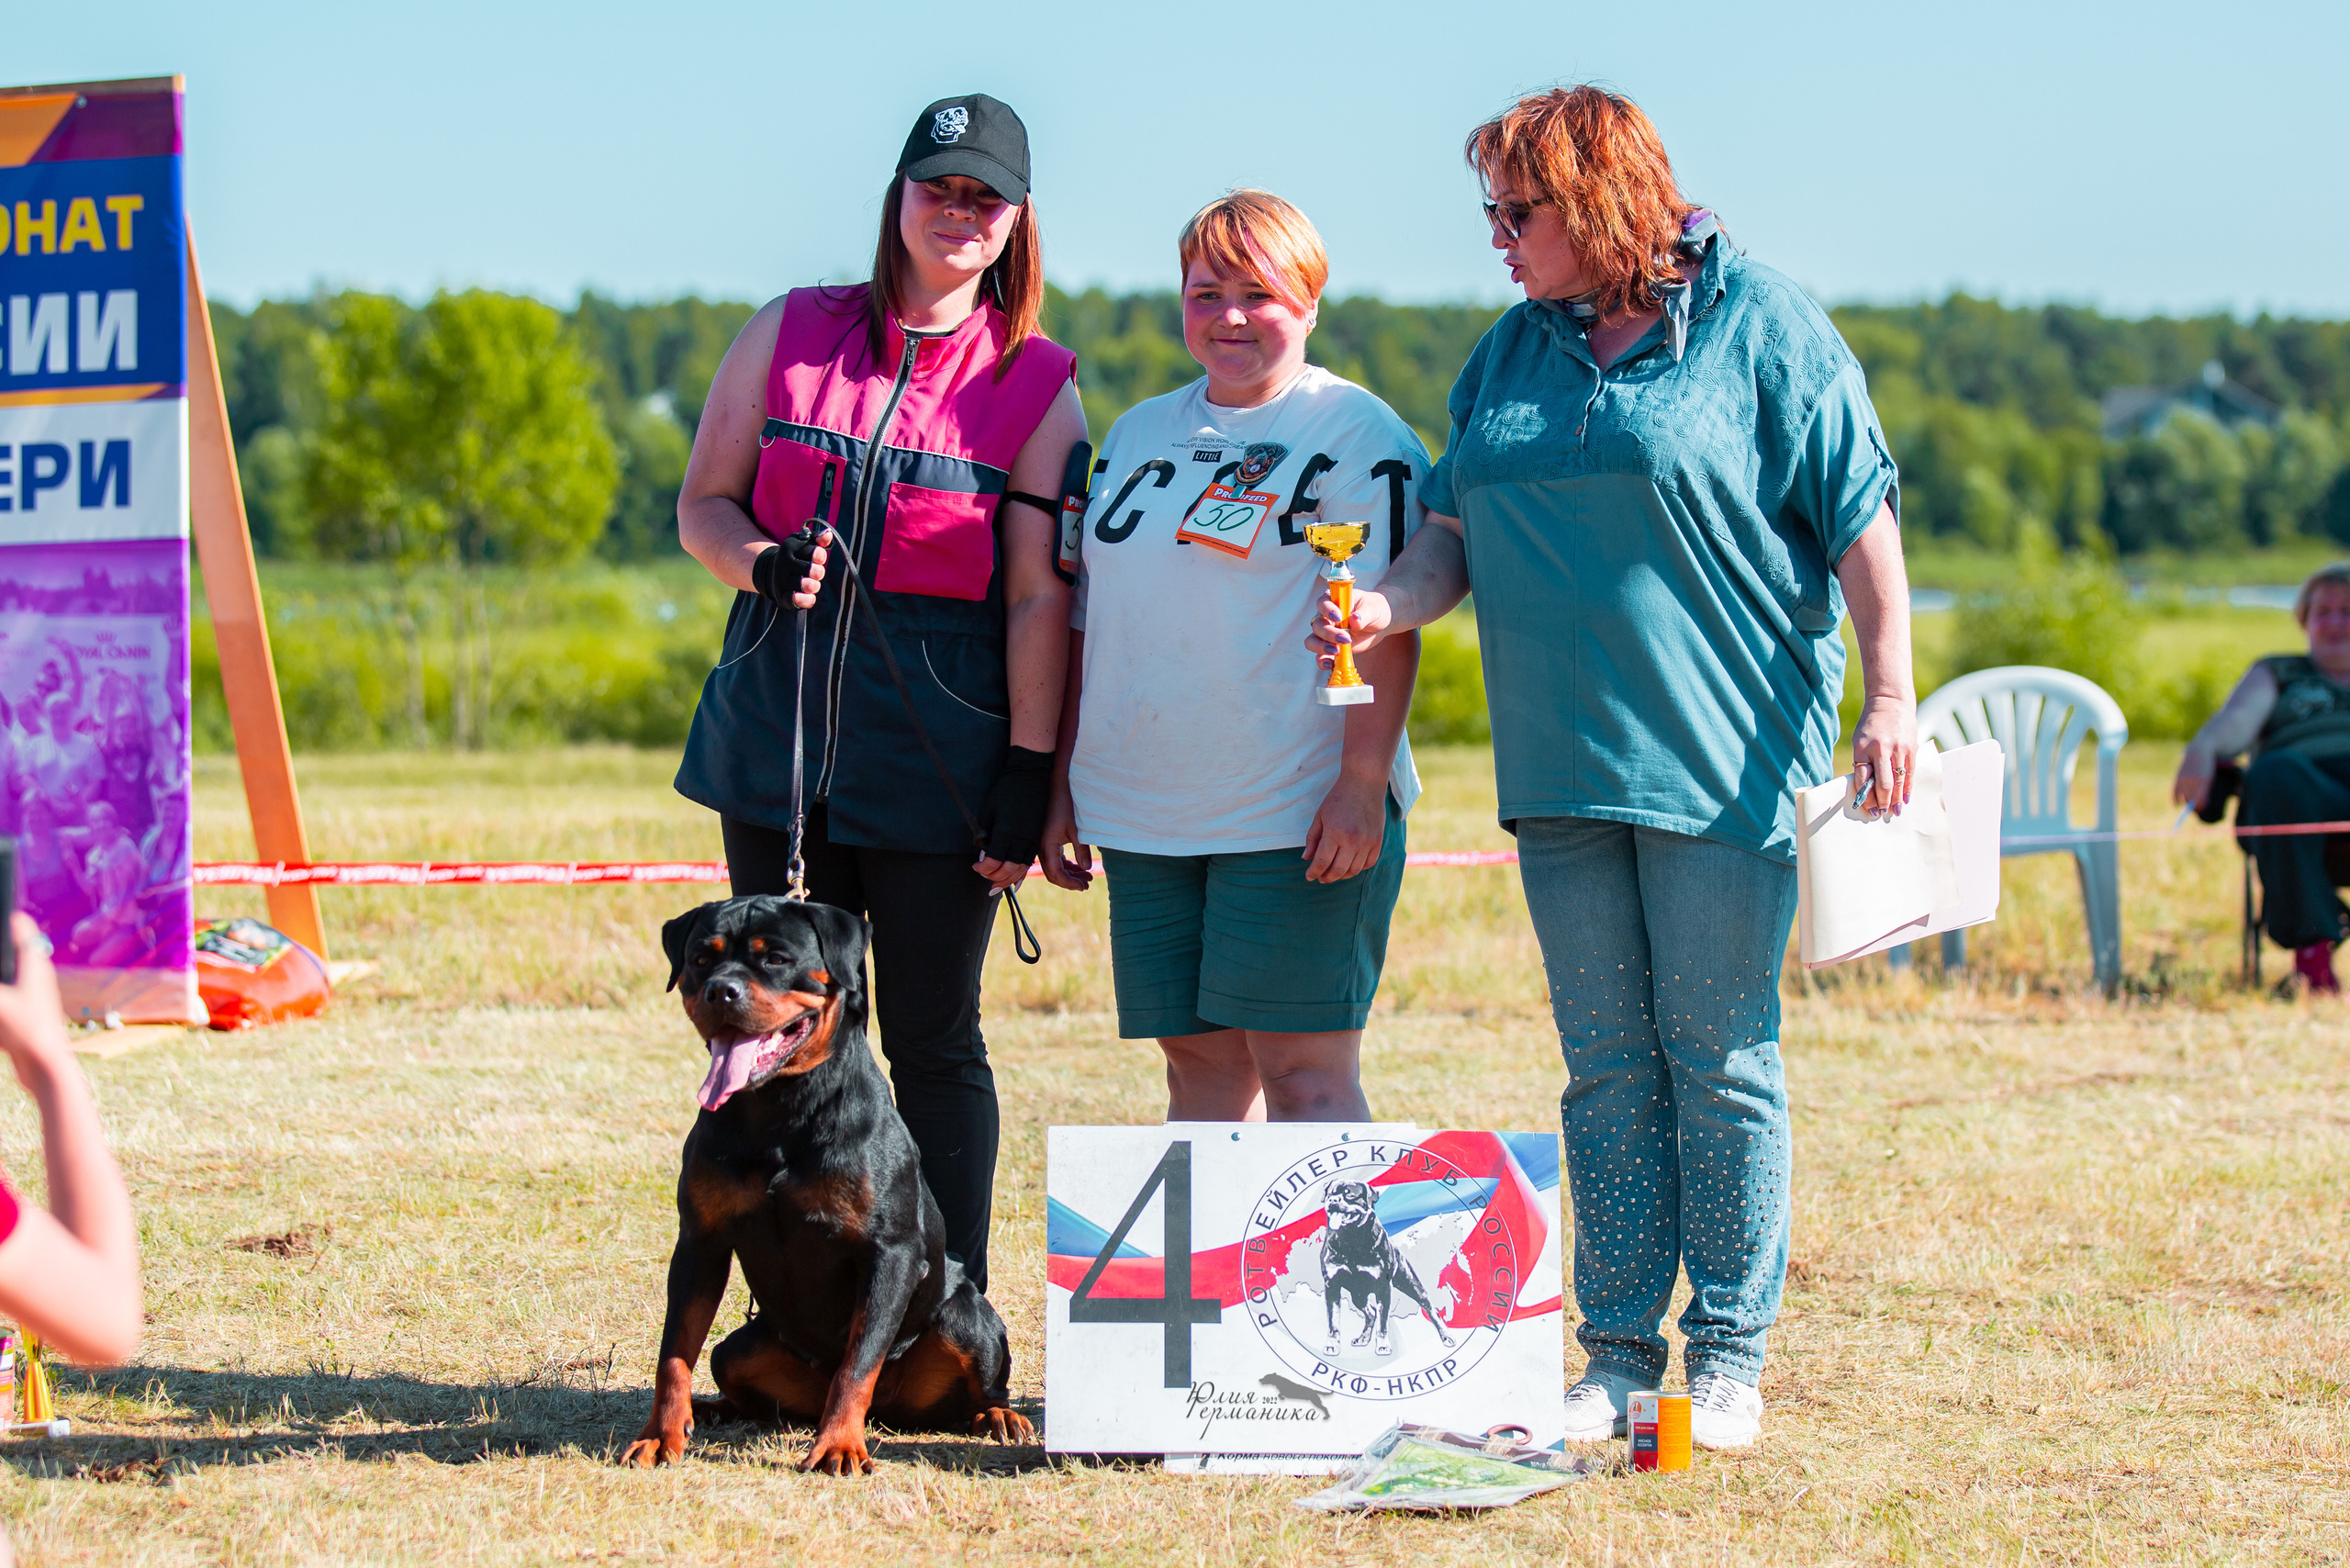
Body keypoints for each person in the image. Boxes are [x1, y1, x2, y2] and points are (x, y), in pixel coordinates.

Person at [1311, 86, 1915, 1450]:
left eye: (1515, 213)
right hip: (1557, 769)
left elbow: (1863, 519)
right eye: (1492, 214)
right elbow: (1452, 529)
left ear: (1593, 201)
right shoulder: (1511, 352)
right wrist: (1388, 606)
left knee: (1719, 1061)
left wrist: (1894, 697)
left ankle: (1732, 1357)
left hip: (1721, 761)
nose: (1497, 241)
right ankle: (1621, 1355)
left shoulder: (1767, 325)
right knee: (1602, 1068)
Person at [673, 94, 1086, 1293]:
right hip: (775, 741)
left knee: (934, 1039)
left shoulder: (1037, 385)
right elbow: (704, 503)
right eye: (938, 187)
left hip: (938, 762)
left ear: (1015, 222)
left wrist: (1026, 771)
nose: (958, 213)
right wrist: (761, 561)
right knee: (772, 1031)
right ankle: (798, 1316)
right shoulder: (788, 332)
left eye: (983, 197)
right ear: (898, 197)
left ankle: (945, 1320)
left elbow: (1036, 600)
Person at [1040, 190, 1424, 1123]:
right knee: (1200, 1075)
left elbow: (1384, 624)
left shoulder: (1356, 433)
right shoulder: (1135, 432)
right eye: (1206, 292)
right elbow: (1092, 619)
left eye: (1258, 292)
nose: (1230, 317)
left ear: (1310, 300)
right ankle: (1215, 1277)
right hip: (1147, 807)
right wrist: (1063, 782)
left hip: (1293, 809)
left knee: (1303, 1074)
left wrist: (1361, 781)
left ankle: (1332, 1272)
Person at [2172, 562, 2350, 992]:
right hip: (2300, 795)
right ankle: (2313, 956)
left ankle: (2323, 922)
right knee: (2274, 771)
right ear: (2304, 620)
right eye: (2323, 610)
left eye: (2348, 610)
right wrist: (2202, 749)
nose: (2336, 622)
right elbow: (2234, 723)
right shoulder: (2279, 672)